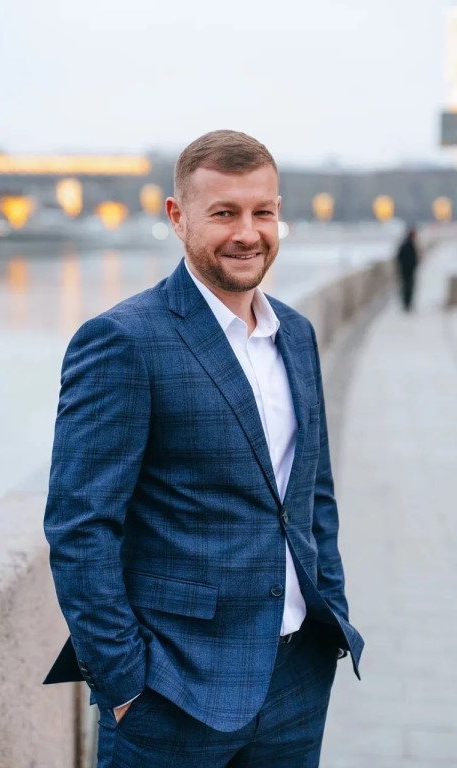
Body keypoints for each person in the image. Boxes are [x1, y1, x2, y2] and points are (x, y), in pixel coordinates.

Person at [43, 130, 363, 768]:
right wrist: (125, 686)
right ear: (177, 216)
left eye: (262, 211)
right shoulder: (123, 340)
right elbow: (80, 528)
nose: (247, 233)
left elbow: (312, 494)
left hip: (296, 682)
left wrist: (331, 609)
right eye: (223, 213)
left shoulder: (296, 334)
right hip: (172, 690)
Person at [396, 227, 419, 311]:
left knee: (408, 287)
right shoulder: (407, 244)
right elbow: (400, 257)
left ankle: (408, 304)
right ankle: (407, 304)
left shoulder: (408, 244)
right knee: (407, 287)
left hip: (408, 270)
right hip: (406, 270)